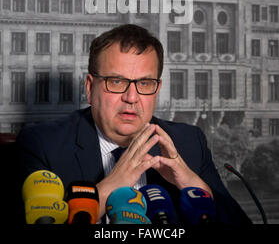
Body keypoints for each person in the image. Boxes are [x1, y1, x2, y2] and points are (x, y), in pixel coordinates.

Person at [17, 24, 251, 224]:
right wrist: (108, 189)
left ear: (157, 90)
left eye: (145, 83)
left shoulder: (189, 143)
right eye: (116, 81)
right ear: (90, 88)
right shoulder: (43, 144)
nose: (131, 97)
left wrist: (191, 183)